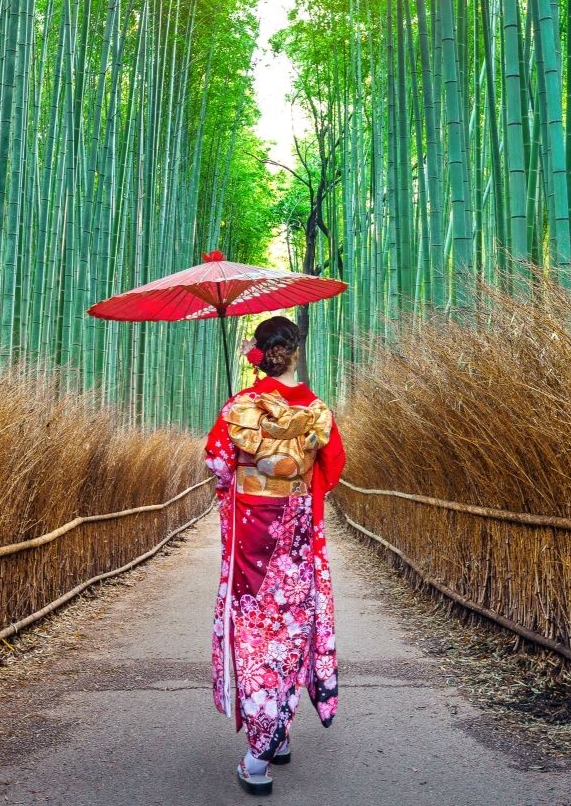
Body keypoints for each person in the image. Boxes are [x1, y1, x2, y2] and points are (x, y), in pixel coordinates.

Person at [204, 315, 345, 796]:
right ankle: (279, 732)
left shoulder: (241, 405)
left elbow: (219, 464)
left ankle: (258, 756)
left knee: (257, 630)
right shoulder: (316, 408)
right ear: (296, 350)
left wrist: (243, 447)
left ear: (259, 353)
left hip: (253, 533)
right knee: (292, 624)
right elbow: (334, 467)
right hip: (298, 530)